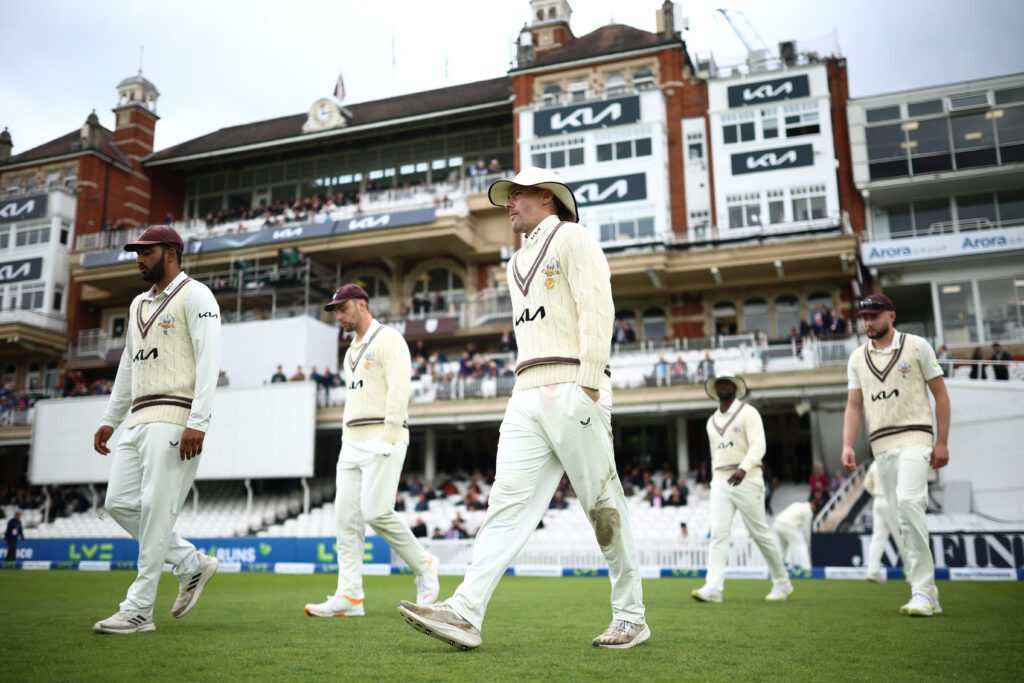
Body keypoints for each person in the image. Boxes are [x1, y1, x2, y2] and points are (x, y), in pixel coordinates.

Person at [398, 167, 648, 650]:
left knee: (601, 504)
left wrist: (591, 384)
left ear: (547, 199)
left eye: (517, 195)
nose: (508, 204)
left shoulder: (574, 238)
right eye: (507, 197)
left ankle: (632, 616)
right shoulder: (516, 261)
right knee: (505, 505)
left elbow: (598, 307)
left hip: (575, 381)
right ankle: (465, 611)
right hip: (526, 390)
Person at [92, 225, 221, 634]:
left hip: (175, 415)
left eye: (146, 251)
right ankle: (189, 562)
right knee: (119, 502)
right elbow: (128, 366)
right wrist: (110, 419)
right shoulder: (136, 305)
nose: (139, 258)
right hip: (137, 419)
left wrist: (197, 422)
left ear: (171, 252)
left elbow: (208, 360)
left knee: (154, 512)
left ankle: (139, 610)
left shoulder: (196, 295)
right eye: (137, 252)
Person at [304, 284, 439, 618]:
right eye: (335, 311)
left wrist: (390, 435)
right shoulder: (351, 350)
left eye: (342, 308)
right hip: (351, 442)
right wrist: (345, 439)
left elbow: (399, 388)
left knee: (376, 512)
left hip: (383, 435)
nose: (339, 315)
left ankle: (424, 565)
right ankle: (349, 596)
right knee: (345, 520)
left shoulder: (389, 339)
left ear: (361, 305)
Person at [842, 293, 951, 617]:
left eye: (874, 315)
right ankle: (928, 592)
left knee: (907, 502)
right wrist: (848, 444)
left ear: (891, 316)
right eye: (864, 317)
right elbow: (854, 405)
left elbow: (941, 397)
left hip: (916, 437)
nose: (868, 322)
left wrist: (941, 442)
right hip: (881, 446)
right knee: (902, 519)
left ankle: (921, 591)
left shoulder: (917, 346)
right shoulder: (857, 358)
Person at [691, 371, 793, 604]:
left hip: (748, 477)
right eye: (720, 384)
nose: (723, 387)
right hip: (721, 480)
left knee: (759, 534)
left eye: (727, 383)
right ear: (715, 389)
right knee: (718, 534)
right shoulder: (711, 421)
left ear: (735, 388)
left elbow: (759, 445)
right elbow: (715, 453)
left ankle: (782, 582)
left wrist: (744, 468)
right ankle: (713, 587)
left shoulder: (748, 413)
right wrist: (715, 478)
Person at [862, 460, 908, 584]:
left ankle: (872, 571)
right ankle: (911, 572)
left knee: (878, 537)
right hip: (891, 501)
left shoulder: (874, 463)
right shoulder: (895, 461)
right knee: (900, 537)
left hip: (877, 502)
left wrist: (876, 494)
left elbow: (866, 484)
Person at [772, 498, 820, 570]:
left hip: (777, 524)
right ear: (813, 505)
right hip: (786, 526)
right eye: (815, 508)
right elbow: (806, 529)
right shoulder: (808, 511)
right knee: (802, 546)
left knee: (782, 548)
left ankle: (777, 570)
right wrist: (807, 543)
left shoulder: (797, 504)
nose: (814, 510)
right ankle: (807, 569)